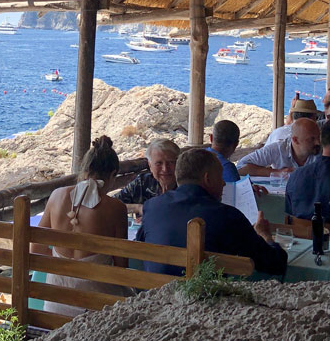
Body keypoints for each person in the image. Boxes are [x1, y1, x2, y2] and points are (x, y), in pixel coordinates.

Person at [137, 148, 286, 276]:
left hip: (155, 298)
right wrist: (265, 236)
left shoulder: (152, 206)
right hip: (203, 303)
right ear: (207, 179)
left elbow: (141, 245)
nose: (223, 183)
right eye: (220, 177)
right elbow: (275, 264)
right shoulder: (227, 216)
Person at [31, 136, 131, 315]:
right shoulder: (116, 208)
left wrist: (63, 263)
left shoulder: (56, 196)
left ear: (84, 168)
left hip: (55, 305)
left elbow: (36, 249)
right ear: (113, 174)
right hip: (97, 308)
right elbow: (121, 266)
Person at [116, 139, 180, 217]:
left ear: (178, 163)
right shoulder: (142, 182)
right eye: (159, 163)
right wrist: (138, 208)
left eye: (171, 162)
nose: (165, 169)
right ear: (150, 166)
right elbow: (112, 204)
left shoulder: (184, 186)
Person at [236, 118, 319, 177]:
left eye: (318, 137)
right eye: (312, 139)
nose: (318, 142)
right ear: (295, 140)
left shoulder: (323, 151)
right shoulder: (279, 149)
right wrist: (277, 173)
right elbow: (240, 167)